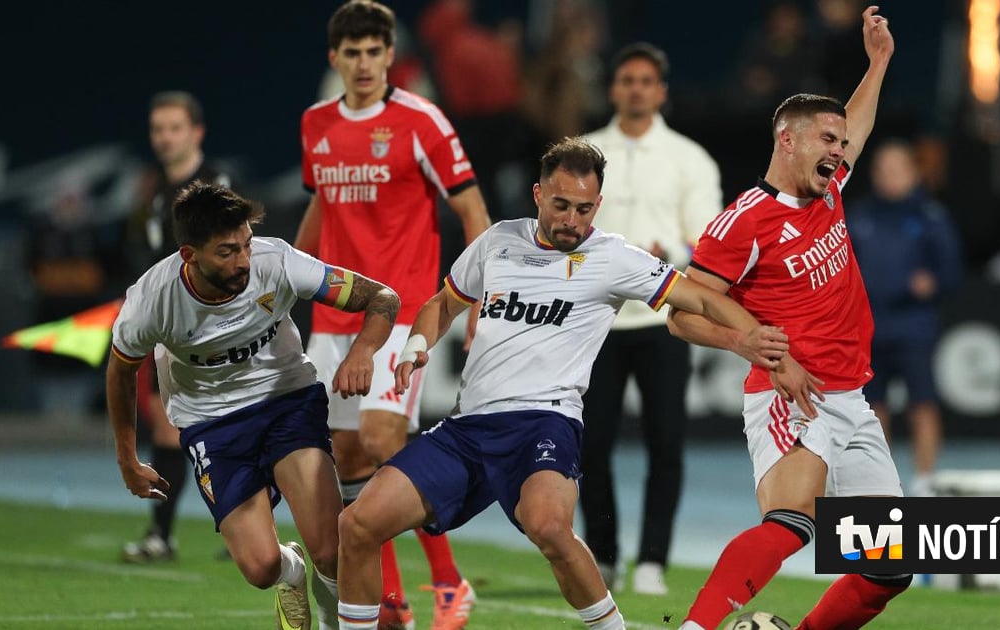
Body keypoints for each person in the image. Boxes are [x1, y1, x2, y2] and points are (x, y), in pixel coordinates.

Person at [334, 137, 789, 630]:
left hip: (544, 422)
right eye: (561, 205)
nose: (573, 220)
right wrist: (417, 345)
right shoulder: (498, 241)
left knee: (549, 526)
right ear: (537, 195)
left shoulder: (613, 257)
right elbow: (443, 304)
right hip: (469, 426)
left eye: (584, 209)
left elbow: (696, 298)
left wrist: (748, 336)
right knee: (356, 524)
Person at [667, 8, 911, 629]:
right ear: (788, 140)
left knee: (890, 565)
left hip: (851, 397)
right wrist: (751, 346)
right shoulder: (743, 221)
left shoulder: (827, 191)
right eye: (826, 140)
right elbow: (681, 316)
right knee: (794, 522)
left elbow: (857, 121)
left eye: (839, 142)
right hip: (792, 395)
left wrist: (878, 62)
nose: (839, 150)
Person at [107, 182, 400, 630]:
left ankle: (331, 623)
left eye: (245, 244)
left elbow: (382, 297)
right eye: (227, 251)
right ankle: (291, 573)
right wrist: (128, 459)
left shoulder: (277, 262)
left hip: (286, 401)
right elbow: (120, 372)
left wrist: (362, 351)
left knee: (330, 547)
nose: (243, 260)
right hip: (212, 423)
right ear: (190, 255)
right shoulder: (151, 302)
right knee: (261, 567)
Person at [294, 2, 491, 628]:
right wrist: (286, 275)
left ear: (389, 55)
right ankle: (392, 605)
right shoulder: (316, 124)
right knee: (349, 460)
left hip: (402, 310)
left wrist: (477, 300)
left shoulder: (421, 121)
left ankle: (450, 583)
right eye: (350, 53)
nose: (362, 63)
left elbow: (473, 212)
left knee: (383, 441)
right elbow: (323, 206)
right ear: (335, 59)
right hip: (334, 318)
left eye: (373, 51)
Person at [578, 41, 722, 596]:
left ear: (660, 91)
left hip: (664, 320)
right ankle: (606, 555)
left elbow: (709, 238)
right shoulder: (586, 151)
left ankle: (653, 561)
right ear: (614, 89)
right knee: (591, 445)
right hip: (596, 322)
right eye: (627, 80)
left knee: (666, 443)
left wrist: (678, 255)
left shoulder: (689, 158)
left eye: (646, 81)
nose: (636, 89)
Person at [120, 91, 235, 563]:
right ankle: (161, 536)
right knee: (167, 431)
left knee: (230, 427)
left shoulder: (215, 187)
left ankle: (246, 527)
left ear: (196, 133)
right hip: (165, 327)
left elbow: (240, 258)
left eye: (174, 128)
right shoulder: (152, 192)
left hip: (218, 326)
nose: (164, 138)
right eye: (158, 129)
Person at [848, 139, 962, 498]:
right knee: (872, 408)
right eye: (882, 169)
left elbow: (952, 273)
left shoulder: (931, 216)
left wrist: (933, 282)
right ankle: (880, 480)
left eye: (897, 168)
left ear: (913, 172)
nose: (889, 176)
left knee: (922, 402)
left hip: (914, 327)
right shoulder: (858, 215)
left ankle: (925, 478)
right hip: (868, 327)